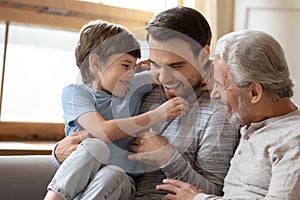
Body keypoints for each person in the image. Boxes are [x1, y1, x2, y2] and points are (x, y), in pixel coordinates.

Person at [52, 6, 240, 199]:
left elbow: (215, 192)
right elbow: (94, 114)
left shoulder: (219, 113)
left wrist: (168, 158)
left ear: (203, 56)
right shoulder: (135, 82)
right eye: (156, 64)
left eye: (176, 66)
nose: (164, 78)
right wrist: (58, 153)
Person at [44, 19, 189, 200]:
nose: (131, 72)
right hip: (79, 188)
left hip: (119, 185)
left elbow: (169, 69)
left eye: (134, 66)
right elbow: (102, 131)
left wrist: (210, 69)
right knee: (95, 145)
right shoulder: (75, 94)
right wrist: (157, 115)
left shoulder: (132, 86)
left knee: (114, 173)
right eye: (125, 65)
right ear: (95, 63)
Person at [156, 30, 300, 199]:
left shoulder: (292, 141)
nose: (214, 94)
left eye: (220, 84)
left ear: (254, 92)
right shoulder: (253, 118)